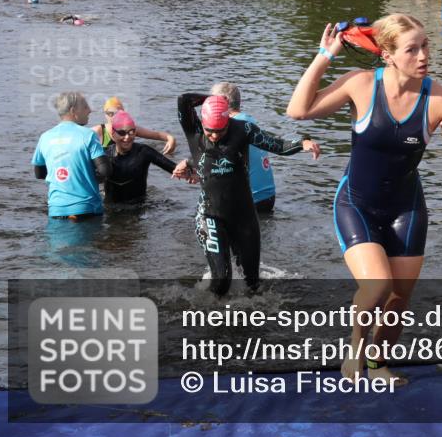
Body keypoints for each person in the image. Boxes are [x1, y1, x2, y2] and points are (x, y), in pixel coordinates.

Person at [286, 14, 442, 385]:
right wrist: (324, 55)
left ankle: (378, 365)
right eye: (413, 49)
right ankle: (356, 348)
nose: (424, 55)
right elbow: (298, 111)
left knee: (397, 303)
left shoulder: (438, 98)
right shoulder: (361, 84)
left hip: (406, 210)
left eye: (425, 45)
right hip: (356, 203)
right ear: (388, 55)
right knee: (377, 287)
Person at [173, 93, 321, 296]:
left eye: (221, 130)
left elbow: (274, 144)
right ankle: (205, 318)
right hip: (210, 215)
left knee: (253, 284)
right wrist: (215, 99)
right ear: (203, 125)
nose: (215, 136)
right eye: (210, 131)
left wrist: (301, 144)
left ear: (228, 122)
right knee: (222, 281)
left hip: (244, 215)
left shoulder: (242, 130)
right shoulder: (194, 131)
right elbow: (184, 100)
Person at [32, 91, 110, 220]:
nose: (90, 110)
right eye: (85, 106)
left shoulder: (45, 137)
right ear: (73, 110)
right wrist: (89, 178)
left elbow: (39, 174)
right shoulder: (88, 135)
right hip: (87, 208)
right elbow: (105, 170)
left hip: (56, 210)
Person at [209, 82, 277, 213]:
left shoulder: (232, 126)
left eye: (213, 102)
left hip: (250, 201)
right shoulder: (249, 121)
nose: (211, 106)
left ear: (225, 101)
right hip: (268, 197)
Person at [104, 111, 185, 203]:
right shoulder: (105, 154)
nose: (127, 137)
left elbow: (174, 168)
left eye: (131, 132)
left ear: (135, 132)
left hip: (139, 206)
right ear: (113, 133)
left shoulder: (143, 152)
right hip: (112, 207)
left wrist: (188, 165)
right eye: (121, 133)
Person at [93, 96, 176, 154]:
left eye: (118, 113)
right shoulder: (97, 132)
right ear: (105, 115)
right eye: (110, 113)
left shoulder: (130, 129)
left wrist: (171, 139)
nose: (114, 116)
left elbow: (157, 135)